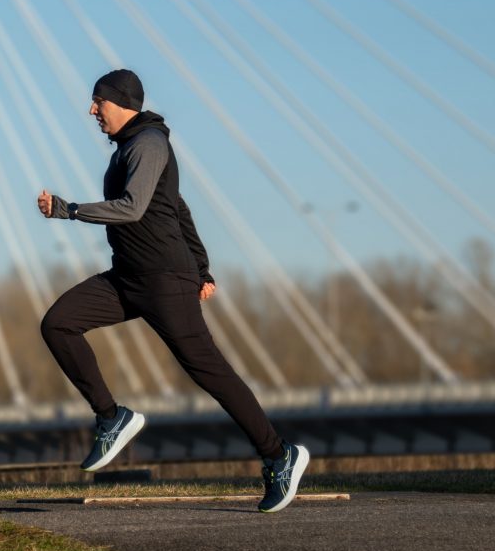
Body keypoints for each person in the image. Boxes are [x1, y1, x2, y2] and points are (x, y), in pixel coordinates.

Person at [37, 69, 309, 513]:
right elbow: (176, 208)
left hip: (164, 282)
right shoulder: (129, 147)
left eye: (97, 102)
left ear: (121, 102)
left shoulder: (148, 144)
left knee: (210, 373)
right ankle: (111, 417)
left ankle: (280, 456)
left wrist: (69, 210)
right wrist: (204, 267)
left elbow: (133, 208)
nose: (91, 111)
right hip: (128, 278)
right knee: (59, 323)